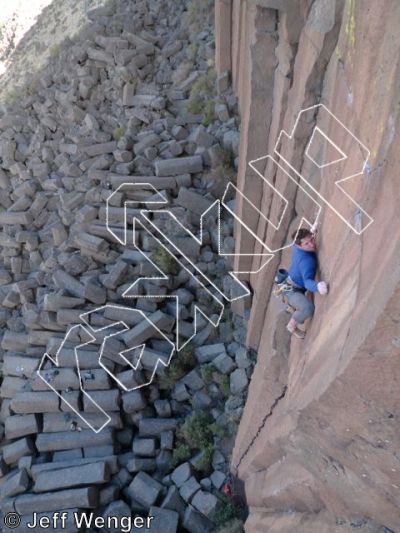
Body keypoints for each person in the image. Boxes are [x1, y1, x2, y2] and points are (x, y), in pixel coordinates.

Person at [285, 228, 328, 339]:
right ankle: (292, 325)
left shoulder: (297, 245)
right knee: (308, 308)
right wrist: (317, 286)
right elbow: (307, 281)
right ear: (300, 245)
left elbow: (302, 239)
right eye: (307, 243)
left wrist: (311, 231)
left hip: (292, 283)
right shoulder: (306, 261)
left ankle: (292, 306)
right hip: (290, 290)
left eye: (312, 239)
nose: (312, 244)